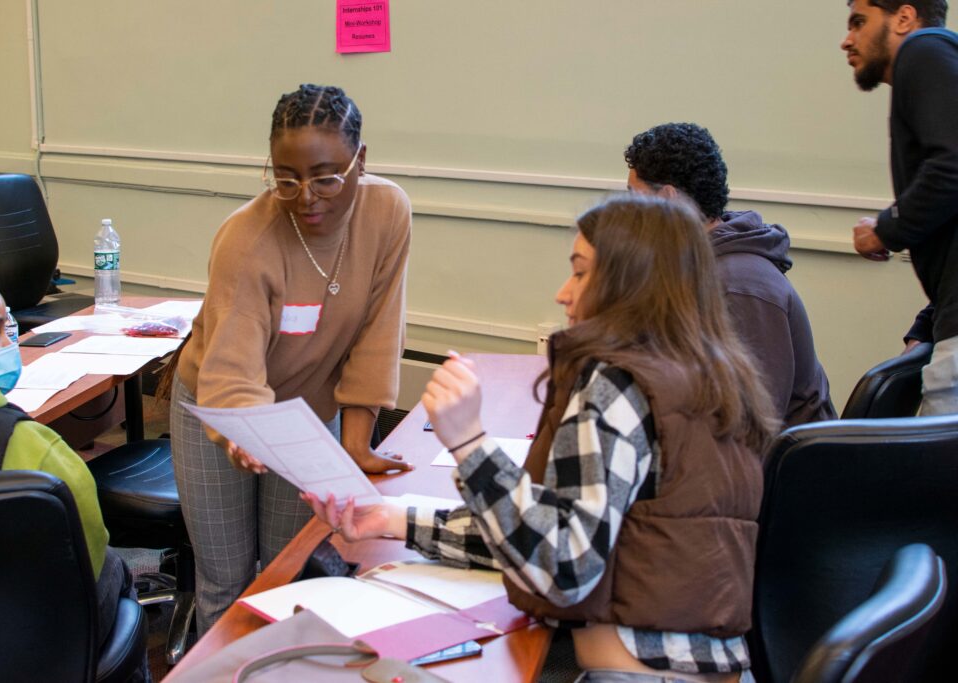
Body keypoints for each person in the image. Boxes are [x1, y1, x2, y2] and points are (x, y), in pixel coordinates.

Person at [304, 194, 778, 683]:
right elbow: (554, 537)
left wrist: (469, 443)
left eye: (579, 272)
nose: (563, 292)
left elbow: (562, 568)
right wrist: (393, 518)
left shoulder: (617, 385)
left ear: (628, 283)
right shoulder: (710, 379)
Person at [170, 83, 413, 632]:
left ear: (361, 160)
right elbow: (231, 366)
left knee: (288, 570)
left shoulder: (387, 211)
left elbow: (379, 329)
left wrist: (356, 441)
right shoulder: (246, 240)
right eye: (286, 178)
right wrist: (244, 430)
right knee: (227, 579)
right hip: (222, 408)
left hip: (307, 409)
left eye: (327, 176)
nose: (306, 195)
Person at [0, 265, 149, 682]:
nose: (8, 345)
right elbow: (90, 546)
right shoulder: (32, 446)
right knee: (116, 568)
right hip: (40, 634)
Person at [623, 122, 836, 429]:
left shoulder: (740, 287)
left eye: (634, 197)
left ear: (667, 198)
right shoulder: (698, 266)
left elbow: (750, 425)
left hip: (775, 470)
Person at [841, 0, 958, 413]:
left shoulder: (924, 49)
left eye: (859, 22)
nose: (846, 40)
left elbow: (952, 165)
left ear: (904, 18)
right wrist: (927, 324)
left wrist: (886, 229)